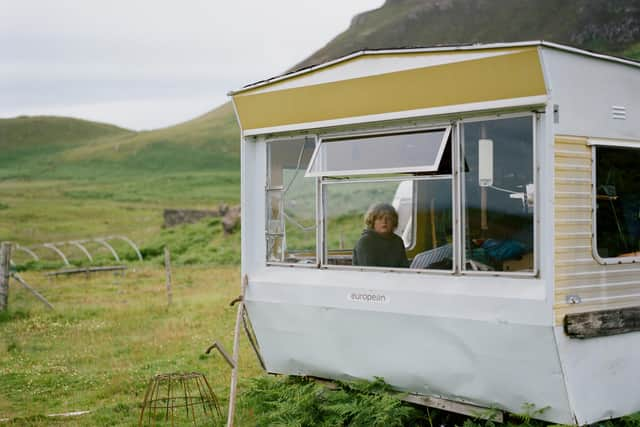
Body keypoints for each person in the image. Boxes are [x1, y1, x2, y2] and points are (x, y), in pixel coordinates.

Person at [352, 203, 409, 268]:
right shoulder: (365, 242)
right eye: (380, 218)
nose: (384, 221)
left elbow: (404, 268)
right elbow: (369, 272)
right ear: (372, 221)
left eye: (389, 218)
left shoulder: (398, 241)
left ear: (394, 222)